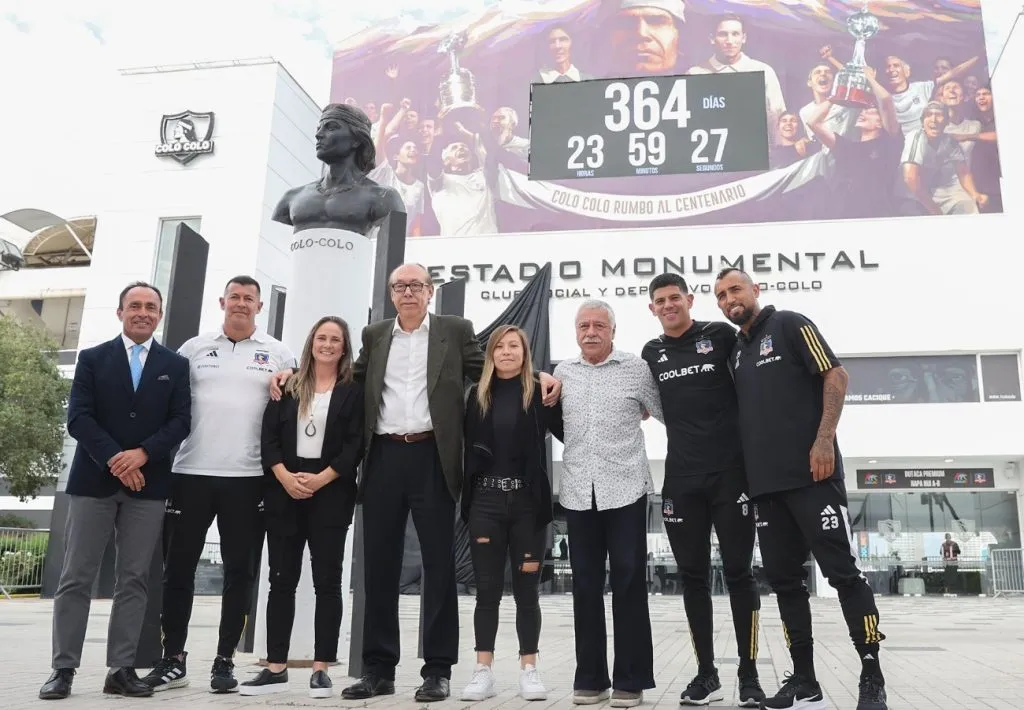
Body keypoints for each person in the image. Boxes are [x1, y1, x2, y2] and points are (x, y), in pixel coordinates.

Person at [270, 263, 560, 702]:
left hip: (433, 457)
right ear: (392, 294)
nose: (408, 292)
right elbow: (346, 373)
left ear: (430, 292)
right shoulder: (375, 335)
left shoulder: (454, 330)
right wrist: (290, 373)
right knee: (380, 566)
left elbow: (494, 365)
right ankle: (378, 669)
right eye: (400, 286)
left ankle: (438, 669)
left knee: (439, 566)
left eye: (417, 286)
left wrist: (540, 375)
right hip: (384, 456)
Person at [713, 268, 888, 710]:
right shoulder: (736, 353)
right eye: (720, 295)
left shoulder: (790, 324)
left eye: (735, 289)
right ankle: (804, 679)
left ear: (756, 290)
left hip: (813, 477)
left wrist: (824, 438)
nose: (729, 298)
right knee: (786, 584)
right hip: (766, 490)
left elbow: (836, 375)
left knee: (842, 574)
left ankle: (872, 674)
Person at [143, 276, 296, 694]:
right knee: (177, 571)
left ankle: (224, 660)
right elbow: (166, 402)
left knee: (240, 573)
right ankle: (173, 659)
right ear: (222, 301)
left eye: (249, 298)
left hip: (248, 480)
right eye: (235, 297)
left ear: (259, 307)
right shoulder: (193, 348)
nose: (241, 304)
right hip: (190, 473)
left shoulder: (279, 352)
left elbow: (293, 410)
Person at [40, 282, 191, 700]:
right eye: (135, 306)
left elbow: (180, 422)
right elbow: (79, 418)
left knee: (134, 579)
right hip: (93, 482)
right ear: (120, 311)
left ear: (160, 314)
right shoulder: (92, 359)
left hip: (148, 485)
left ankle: (121, 669)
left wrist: (142, 455)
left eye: (151, 307)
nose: (143, 312)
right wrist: (116, 460)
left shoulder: (175, 365)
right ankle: (63, 669)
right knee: (76, 578)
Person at [640, 274, 763, 708]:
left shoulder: (720, 335)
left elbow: (756, 376)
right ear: (652, 309)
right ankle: (706, 674)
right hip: (682, 481)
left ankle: (749, 676)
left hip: (731, 476)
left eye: (675, 297)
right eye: (660, 301)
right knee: (692, 579)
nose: (669, 305)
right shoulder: (650, 353)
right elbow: (637, 401)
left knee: (739, 575)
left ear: (689, 300)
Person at [238, 317, 364, 698]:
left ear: (344, 349)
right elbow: (269, 436)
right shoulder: (288, 385)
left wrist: (323, 478)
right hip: (284, 489)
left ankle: (321, 667)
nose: (327, 345)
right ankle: (275, 667)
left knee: (328, 582)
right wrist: (285, 477)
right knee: (281, 581)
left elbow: (355, 444)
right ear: (311, 343)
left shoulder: (353, 391)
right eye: (321, 338)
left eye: (335, 340)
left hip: (332, 490)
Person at [554, 299, 663, 708]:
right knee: (584, 586)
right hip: (580, 491)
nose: (591, 332)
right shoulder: (564, 372)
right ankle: (591, 678)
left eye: (600, 325)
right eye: (584, 325)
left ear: (613, 331)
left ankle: (630, 680)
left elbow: (663, 410)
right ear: (576, 331)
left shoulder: (635, 367)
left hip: (627, 489)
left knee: (629, 582)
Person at [459, 326, 563, 702]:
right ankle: (482, 670)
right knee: (486, 592)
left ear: (525, 352)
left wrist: (550, 377)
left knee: (527, 594)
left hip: (527, 506)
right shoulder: (476, 396)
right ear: (490, 355)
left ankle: (529, 669)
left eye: (513, 346)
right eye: (499, 347)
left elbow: (569, 430)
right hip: (486, 502)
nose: (506, 352)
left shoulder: (539, 393)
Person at [806, 66, 903, 219]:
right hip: (847, 214)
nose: (863, 113)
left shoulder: (889, 143)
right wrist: (835, 96)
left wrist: (869, 78)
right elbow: (812, 122)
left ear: (880, 123)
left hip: (878, 214)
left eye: (870, 111)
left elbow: (885, 100)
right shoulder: (848, 147)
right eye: (863, 110)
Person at [687, 14, 786, 142]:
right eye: (723, 34)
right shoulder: (695, 74)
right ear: (712, 38)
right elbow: (689, 120)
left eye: (735, 34)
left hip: (752, 150)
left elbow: (777, 118)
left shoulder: (763, 71)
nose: (729, 41)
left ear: (743, 38)